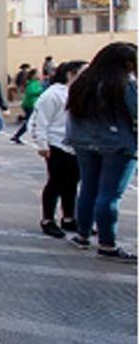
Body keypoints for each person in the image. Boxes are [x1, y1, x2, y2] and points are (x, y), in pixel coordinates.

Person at [64, 42, 138, 262]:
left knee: (88, 187)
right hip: (117, 144)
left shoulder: (82, 82)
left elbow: (71, 114)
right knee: (110, 194)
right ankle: (107, 245)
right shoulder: (125, 84)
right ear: (126, 63)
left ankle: (82, 235)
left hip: (83, 142)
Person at [29, 60, 87, 238]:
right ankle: (48, 219)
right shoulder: (53, 94)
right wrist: (42, 144)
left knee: (71, 183)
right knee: (56, 182)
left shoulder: (78, 93)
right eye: (84, 72)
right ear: (71, 74)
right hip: (56, 144)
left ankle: (69, 217)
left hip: (75, 145)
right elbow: (41, 121)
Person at [11, 68, 43, 143]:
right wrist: (41, 91)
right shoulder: (32, 83)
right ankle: (17, 136)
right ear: (33, 75)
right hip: (30, 104)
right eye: (38, 73)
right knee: (30, 121)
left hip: (32, 104)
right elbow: (30, 92)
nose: (40, 75)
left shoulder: (36, 82)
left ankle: (18, 135)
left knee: (32, 121)